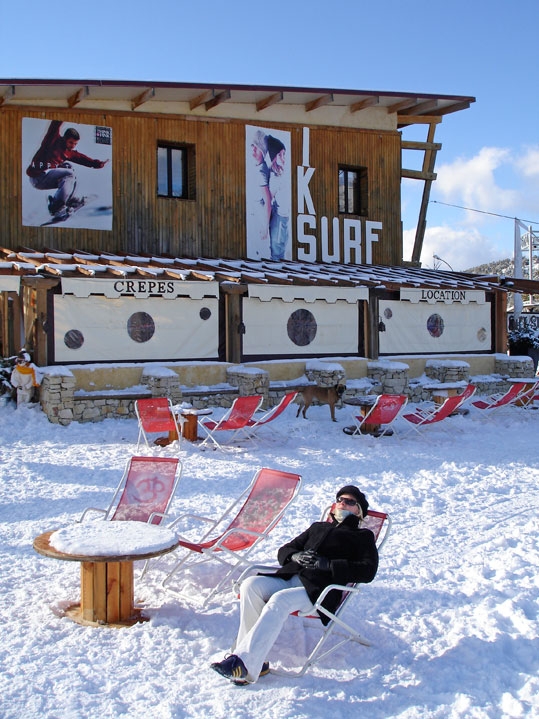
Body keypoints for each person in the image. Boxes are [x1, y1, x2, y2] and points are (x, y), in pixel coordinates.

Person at [211, 485, 378, 685]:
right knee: (250, 585)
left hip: (319, 591)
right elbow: (285, 550)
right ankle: (255, 662)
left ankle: (243, 664)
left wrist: (329, 564)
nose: (342, 503)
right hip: (289, 578)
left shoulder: (362, 537)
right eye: (340, 499)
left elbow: (367, 571)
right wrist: (295, 556)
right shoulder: (318, 527)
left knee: (279, 600)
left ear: (359, 511)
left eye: (350, 501)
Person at [26, 120, 109, 219]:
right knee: (69, 174)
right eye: (70, 142)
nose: (72, 146)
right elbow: (55, 125)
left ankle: (69, 199)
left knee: (68, 167)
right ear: (64, 139)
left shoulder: (69, 152)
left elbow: (81, 158)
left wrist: (98, 164)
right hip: (37, 178)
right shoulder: (52, 140)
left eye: (75, 144)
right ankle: (56, 207)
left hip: (46, 176)